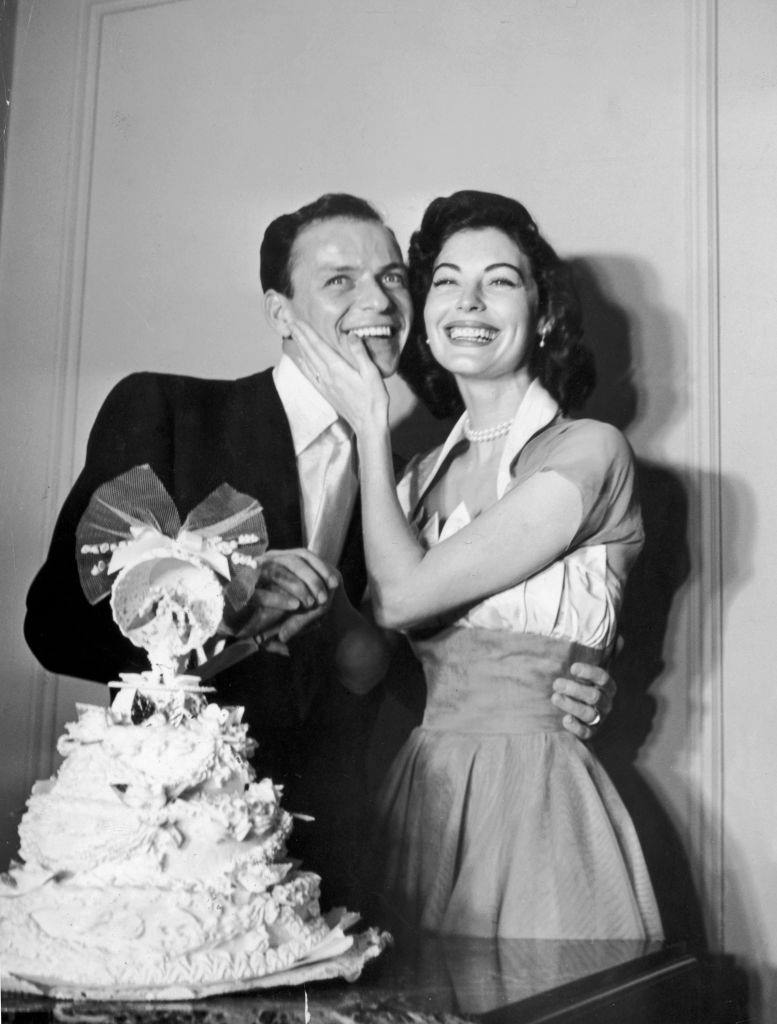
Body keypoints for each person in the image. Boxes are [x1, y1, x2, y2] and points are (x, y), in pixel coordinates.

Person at [24, 193, 616, 905]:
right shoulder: (170, 412)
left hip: (342, 864)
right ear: (281, 313)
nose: (378, 300)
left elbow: (415, 667)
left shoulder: (403, 482)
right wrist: (219, 610)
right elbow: (54, 627)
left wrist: (568, 681)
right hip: (169, 858)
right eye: (340, 280)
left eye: (393, 277)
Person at [289, 189, 663, 939]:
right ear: (424, 316)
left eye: (499, 279)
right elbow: (365, 661)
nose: (469, 301)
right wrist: (284, 588)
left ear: (543, 310)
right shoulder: (412, 481)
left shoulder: (588, 450)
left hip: (537, 797)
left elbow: (403, 600)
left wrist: (368, 421)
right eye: (446, 281)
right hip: (421, 798)